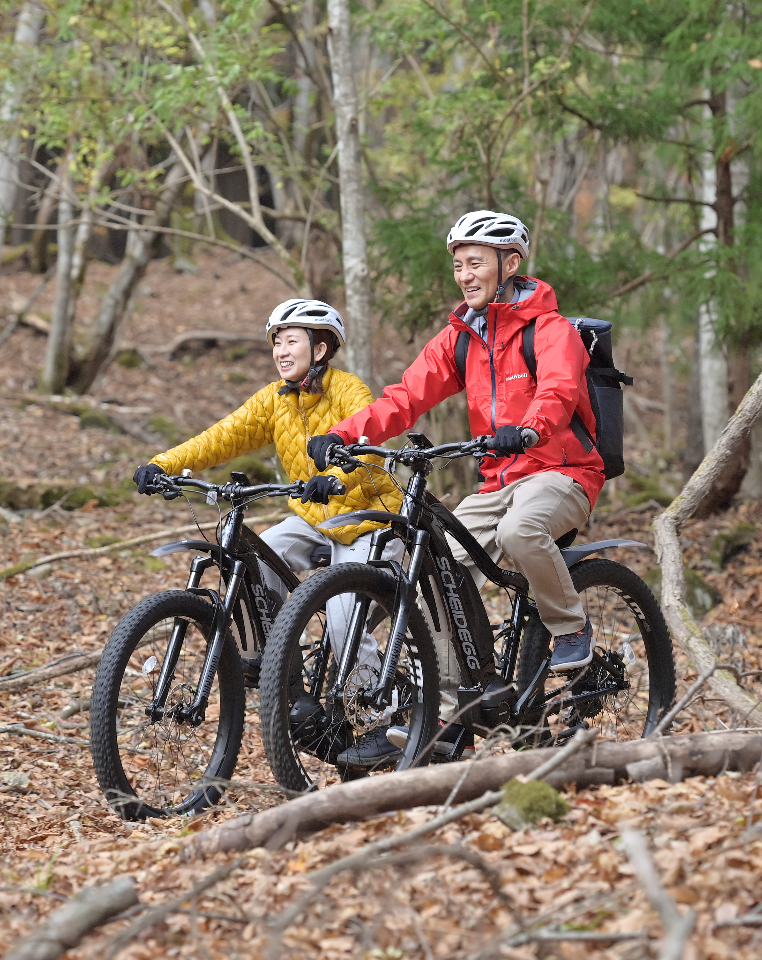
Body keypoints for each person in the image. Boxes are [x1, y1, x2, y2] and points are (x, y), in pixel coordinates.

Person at [307, 210, 606, 754]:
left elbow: (559, 393)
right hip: (498, 483)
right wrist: (343, 435)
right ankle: (452, 718)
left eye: (476, 263)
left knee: (521, 531)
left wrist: (528, 430)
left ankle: (570, 627)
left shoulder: (551, 330)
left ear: (509, 264)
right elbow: (404, 397)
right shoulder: (461, 338)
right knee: (433, 568)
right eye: (458, 266)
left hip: (562, 472)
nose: (465, 275)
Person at [132, 298, 406, 766]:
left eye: (291, 340)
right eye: (276, 341)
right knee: (253, 558)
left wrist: (337, 478)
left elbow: (369, 448)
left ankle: (383, 715)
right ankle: (282, 663)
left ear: (320, 350)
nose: (280, 349)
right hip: (313, 517)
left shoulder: (347, 391)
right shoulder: (276, 398)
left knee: (342, 616)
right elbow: (222, 435)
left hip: (367, 517)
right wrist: (164, 464)